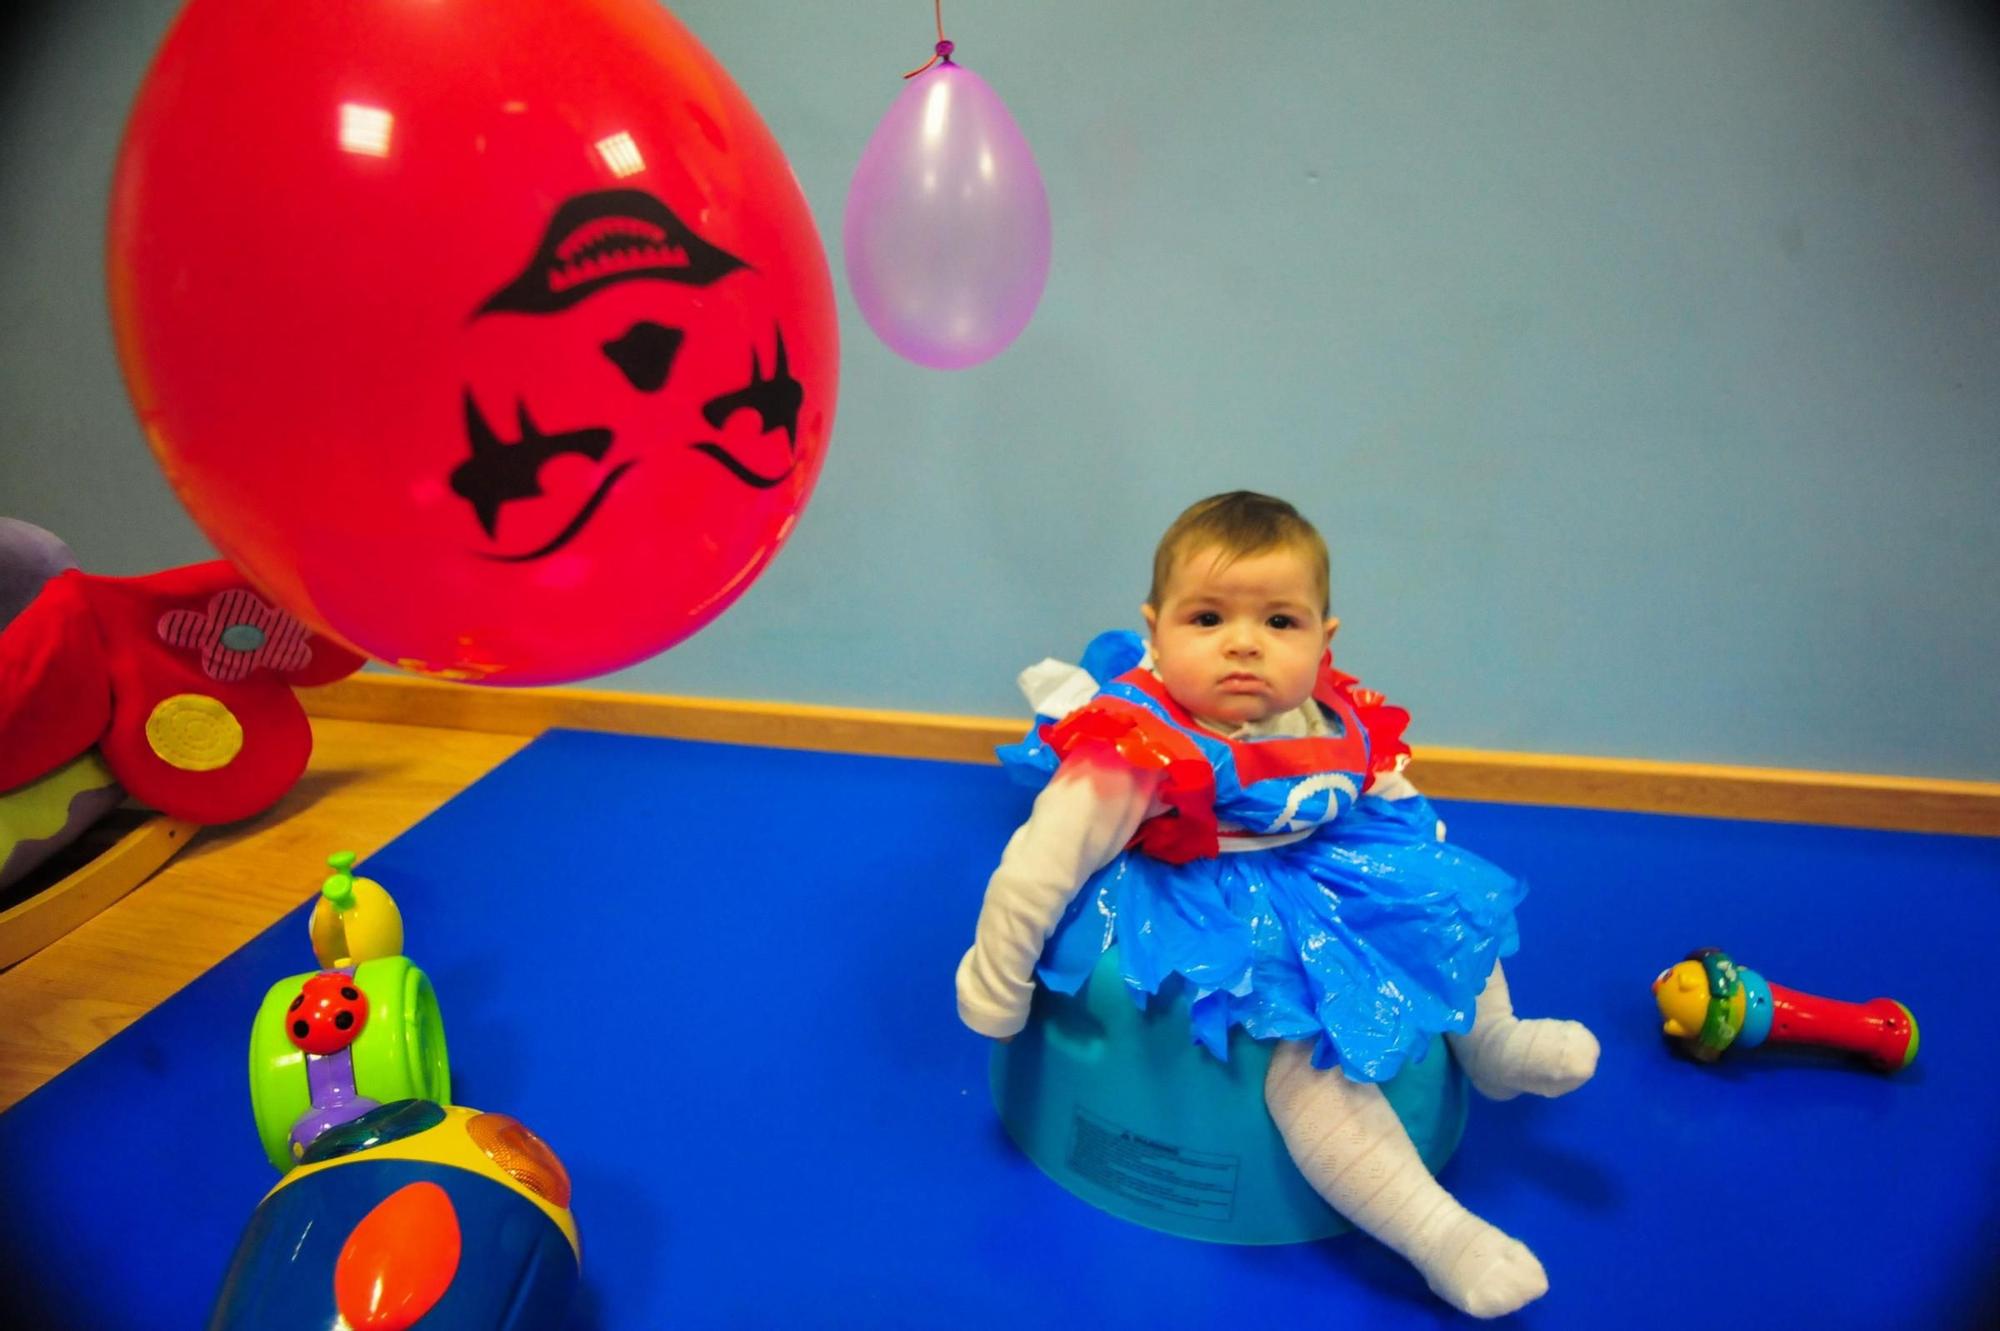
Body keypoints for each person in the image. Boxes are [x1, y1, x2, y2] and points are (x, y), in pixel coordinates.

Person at [955, 491, 1598, 1319]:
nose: (1244, 645)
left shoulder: (1331, 714)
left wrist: (1420, 861)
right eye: (1208, 617)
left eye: (1281, 623)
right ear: (1155, 630)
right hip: (1199, 898)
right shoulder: (1138, 749)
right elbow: (1036, 868)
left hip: (1327, 867)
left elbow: (1387, 791)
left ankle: (1494, 1044)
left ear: (1325, 640)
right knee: (1303, 1048)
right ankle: (1440, 1234)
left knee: (1441, 908)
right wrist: (995, 987)